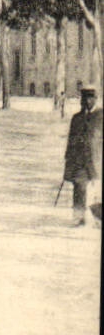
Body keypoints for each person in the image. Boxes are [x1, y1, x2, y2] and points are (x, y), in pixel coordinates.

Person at [63, 85, 102, 228]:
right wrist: (68, 160)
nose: (87, 102)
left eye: (91, 98)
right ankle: (78, 217)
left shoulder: (101, 116)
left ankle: (99, 219)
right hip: (80, 161)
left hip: (97, 161)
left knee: (97, 191)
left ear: (96, 100)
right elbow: (71, 141)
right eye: (85, 98)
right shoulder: (76, 118)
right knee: (79, 187)